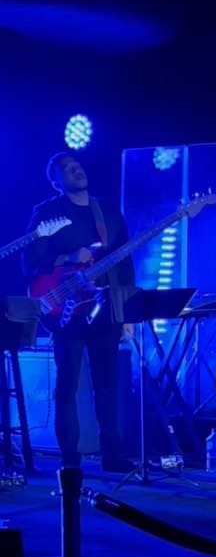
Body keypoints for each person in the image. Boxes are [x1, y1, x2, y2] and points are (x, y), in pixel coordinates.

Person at [22, 152, 136, 472]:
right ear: (56, 182)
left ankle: (112, 455)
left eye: (77, 165)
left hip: (104, 308)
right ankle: (70, 458)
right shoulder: (47, 213)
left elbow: (125, 265)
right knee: (67, 384)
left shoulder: (108, 213)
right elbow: (29, 262)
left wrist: (126, 313)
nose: (76, 170)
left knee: (107, 384)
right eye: (67, 169)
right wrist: (68, 257)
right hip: (66, 310)